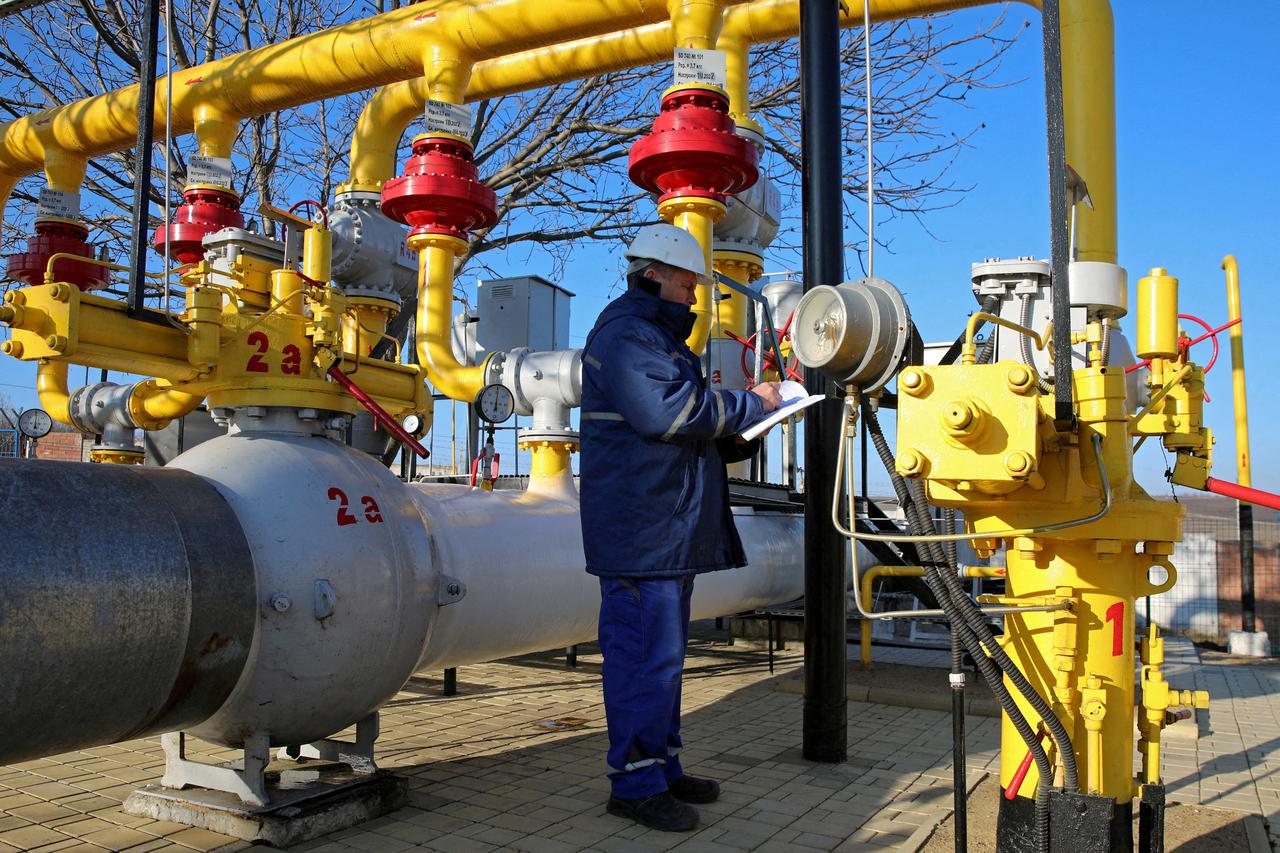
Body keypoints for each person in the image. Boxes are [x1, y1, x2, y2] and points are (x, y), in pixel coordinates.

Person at [579, 223, 783, 832]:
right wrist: (760, 404)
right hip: (645, 533)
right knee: (644, 660)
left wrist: (743, 430)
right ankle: (635, 784)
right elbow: (669, 414)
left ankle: (661, 767)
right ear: (656, 275)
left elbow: (689, 430)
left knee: (662, 660)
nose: (696, 296)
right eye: (689, 282)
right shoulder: (628, 336)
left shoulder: (656, 339)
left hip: (662, 528)